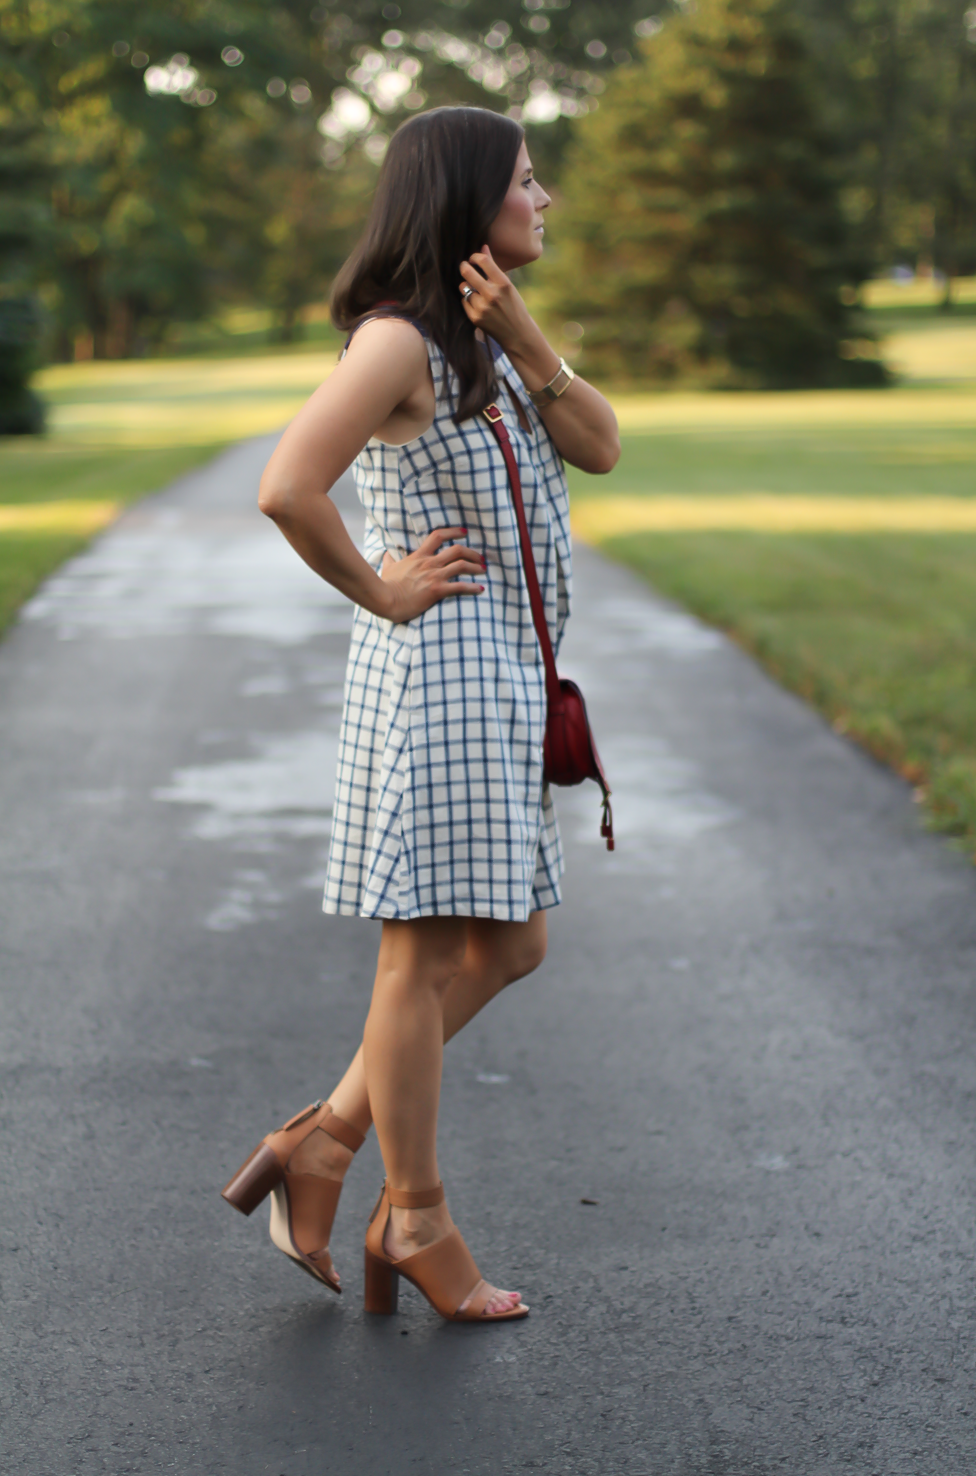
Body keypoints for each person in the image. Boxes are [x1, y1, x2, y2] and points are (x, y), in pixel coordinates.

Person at [221, 106, 620, 1323]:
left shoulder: (483, 340)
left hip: (500, 678)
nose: (542, 199)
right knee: (423, 954)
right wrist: (384, 589)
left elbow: (599, 445)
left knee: (513, 945)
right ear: (464, 206)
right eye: (524, 182)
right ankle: (418, 1213)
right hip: (439, 679)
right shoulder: (398, 344)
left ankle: (324, 1143)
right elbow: (289, 486)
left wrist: (523, 329)